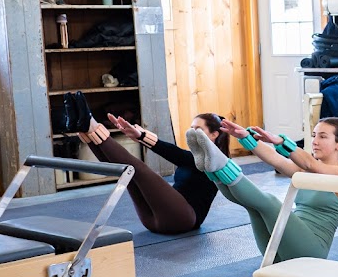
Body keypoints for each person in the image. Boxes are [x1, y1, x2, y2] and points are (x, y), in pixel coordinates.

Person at [184, 117, 338, 262]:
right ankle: (212, 169)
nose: (315, 141)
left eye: (323, 137)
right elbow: (276, 160)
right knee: (253, 207)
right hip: (284, 244)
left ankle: (220, 163)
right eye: (314, 135)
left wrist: (281, 141)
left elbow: (310, 163)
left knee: (269, 202)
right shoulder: (305, 171)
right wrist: (245, 137)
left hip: (310, 251)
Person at [67, 90, 224, 235]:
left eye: (198, 129)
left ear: (214, 135)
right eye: (191, 128)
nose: (192, 132)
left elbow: (175, 153)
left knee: (138, 169)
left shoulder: (218, 163)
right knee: (127, 173)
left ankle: (92, 125)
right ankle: (85, 131)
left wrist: (142, 136)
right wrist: (139, 135)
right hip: (153, 219)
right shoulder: (192, 157)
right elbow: (175, 154)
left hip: (182, 220)